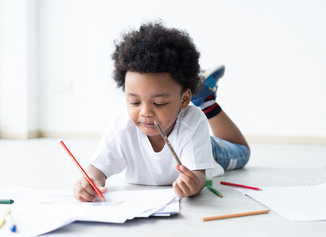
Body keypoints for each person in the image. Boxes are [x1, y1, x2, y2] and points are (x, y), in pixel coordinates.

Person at [74, 21, 250, 202]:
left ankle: (205, 101)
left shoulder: (193, 124)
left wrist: (194, 184)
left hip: (202, 147)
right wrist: (89, 182)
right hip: (183, 135)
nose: (145, 112)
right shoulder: (121, 127)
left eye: (158, 103)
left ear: (184, 99)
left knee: (243, 153)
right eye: (134, 101)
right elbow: (95, 170)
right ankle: (202, 93)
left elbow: (198, 177)